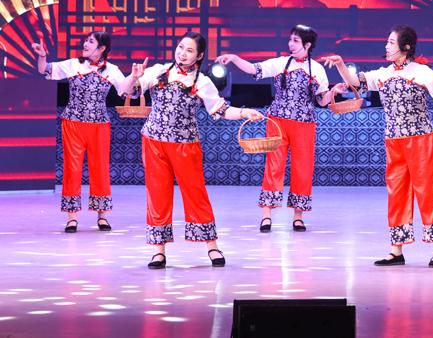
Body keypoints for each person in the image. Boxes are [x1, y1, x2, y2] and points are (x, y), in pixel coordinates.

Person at [121, 32, 263, 269]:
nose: (182, 53)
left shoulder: (202, 81)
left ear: (199, 56)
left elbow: (220, 110)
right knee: (157, 194)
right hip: (154, 141)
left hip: (186, 144)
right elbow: (129, 92)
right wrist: (134, 77)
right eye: (180, 47)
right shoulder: (158, 71)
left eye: (189, 50)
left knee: (195, 193)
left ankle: (212, 246)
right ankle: (158, 251)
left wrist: (243, 112)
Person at [323, 26, 433, 267]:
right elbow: (356, 82)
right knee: (397, 193)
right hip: (394, 141)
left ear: (405, 47)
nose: (386, 46)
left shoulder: (422, 72)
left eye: (391, 42)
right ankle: (396, 249)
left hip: (420, 139)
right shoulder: (383, 74)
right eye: (387, 42)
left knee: (427, 190)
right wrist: (341, 64)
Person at [215, 25, 336, 232]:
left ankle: (298, 216)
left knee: (303, 168)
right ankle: (266, 215)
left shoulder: (317, 69)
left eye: (296, 41)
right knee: (274, 165)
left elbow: (322, 101)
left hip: (305, 124)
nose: (291, 44)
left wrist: (333, 92)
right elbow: (253, 69)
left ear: (307, 45)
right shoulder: (280, 63)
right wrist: (234, 58)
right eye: (290, 40)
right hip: (277, 121)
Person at [32, 32, 131, 232]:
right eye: (85, 40)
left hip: (99, 125)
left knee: (100, 168)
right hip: (73, 123)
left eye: (90, 41)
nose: (85, 44)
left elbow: (127, 91)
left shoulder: (112, 70)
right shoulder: (73, 64)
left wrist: (135, 77)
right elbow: (45, 69)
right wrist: (42, 56)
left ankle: (102, 216)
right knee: (72, 168)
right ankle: (72, 218)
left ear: (102, 48)